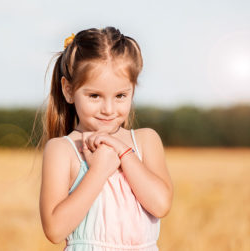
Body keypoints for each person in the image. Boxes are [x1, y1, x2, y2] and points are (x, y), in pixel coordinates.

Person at [38, 26, 173, 251]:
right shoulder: (63, 149)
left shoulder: (146, 141)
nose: (108, 109)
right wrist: (99, 171)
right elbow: (54, 230)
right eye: (94, 96)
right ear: (69, 90)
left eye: (121, 95)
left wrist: (123, 153)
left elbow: (160, 205)